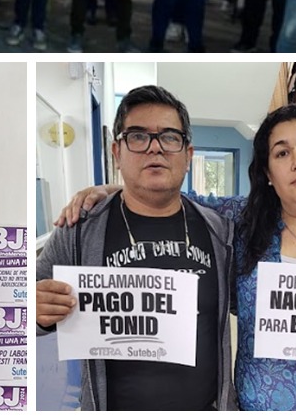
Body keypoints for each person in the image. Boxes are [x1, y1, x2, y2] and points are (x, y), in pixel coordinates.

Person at [53, 101, 296, 410]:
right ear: (268, 172)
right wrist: (107, 189)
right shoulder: (239, 220)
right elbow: (168, 197)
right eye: (281, 152)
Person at [34, 86, 237, 410]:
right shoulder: (78, 231)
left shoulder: (220, 231)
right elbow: (27, 310)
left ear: (188, 154)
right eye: (138, 137)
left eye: (170, 137)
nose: (155, 149)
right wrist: (39, 310)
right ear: (117, 152)